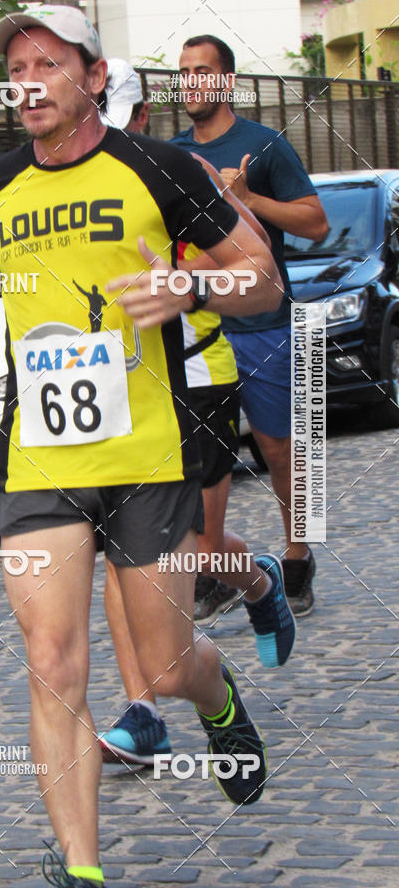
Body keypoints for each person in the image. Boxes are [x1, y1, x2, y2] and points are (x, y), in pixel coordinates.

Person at [0, 6, 281, 888]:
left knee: (162, 667)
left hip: (151, 458)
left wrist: (192, 287)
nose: (28, 81)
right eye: (15, 68)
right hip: (39, 461)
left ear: (92, 73)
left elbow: (265, 280)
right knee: (54, 662)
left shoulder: (159, 169)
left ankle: (218, 700)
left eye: (47, 63)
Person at [98, 64, 296, 769]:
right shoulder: (67, 183)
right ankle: (143, 710)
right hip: (121, 397)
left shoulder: (184, 175)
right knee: (119, 555)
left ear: (144, 117)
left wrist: (190, 286)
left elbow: (260, 274)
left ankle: (258, 580)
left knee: (193, 549)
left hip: (197, 381)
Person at [171, 35, 329, 618]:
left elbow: (314, 224)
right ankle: (212, 569)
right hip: (200, 331)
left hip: (265, 324)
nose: (193, 82)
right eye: (184, 72)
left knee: (280, 448)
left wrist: (247, 198)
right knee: (205, 459)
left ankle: (297, 555)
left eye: (204, 71)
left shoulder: (264, 146)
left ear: (227, 81)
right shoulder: (170, 156)